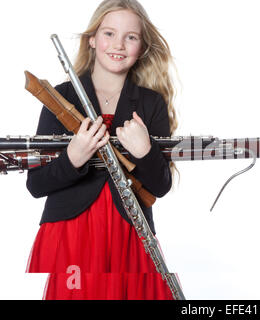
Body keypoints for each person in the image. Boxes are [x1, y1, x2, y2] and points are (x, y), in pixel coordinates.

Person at [25, 0, 179, 300]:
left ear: (142, 46)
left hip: (131, 232)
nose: (118, 44)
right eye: (109, 33)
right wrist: (73, 158)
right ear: (92, 40)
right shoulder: (59, 97)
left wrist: (145, 152)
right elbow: (36, 184)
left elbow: (161, 185)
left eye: (131, 37)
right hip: (73, 232)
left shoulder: (151, 103)